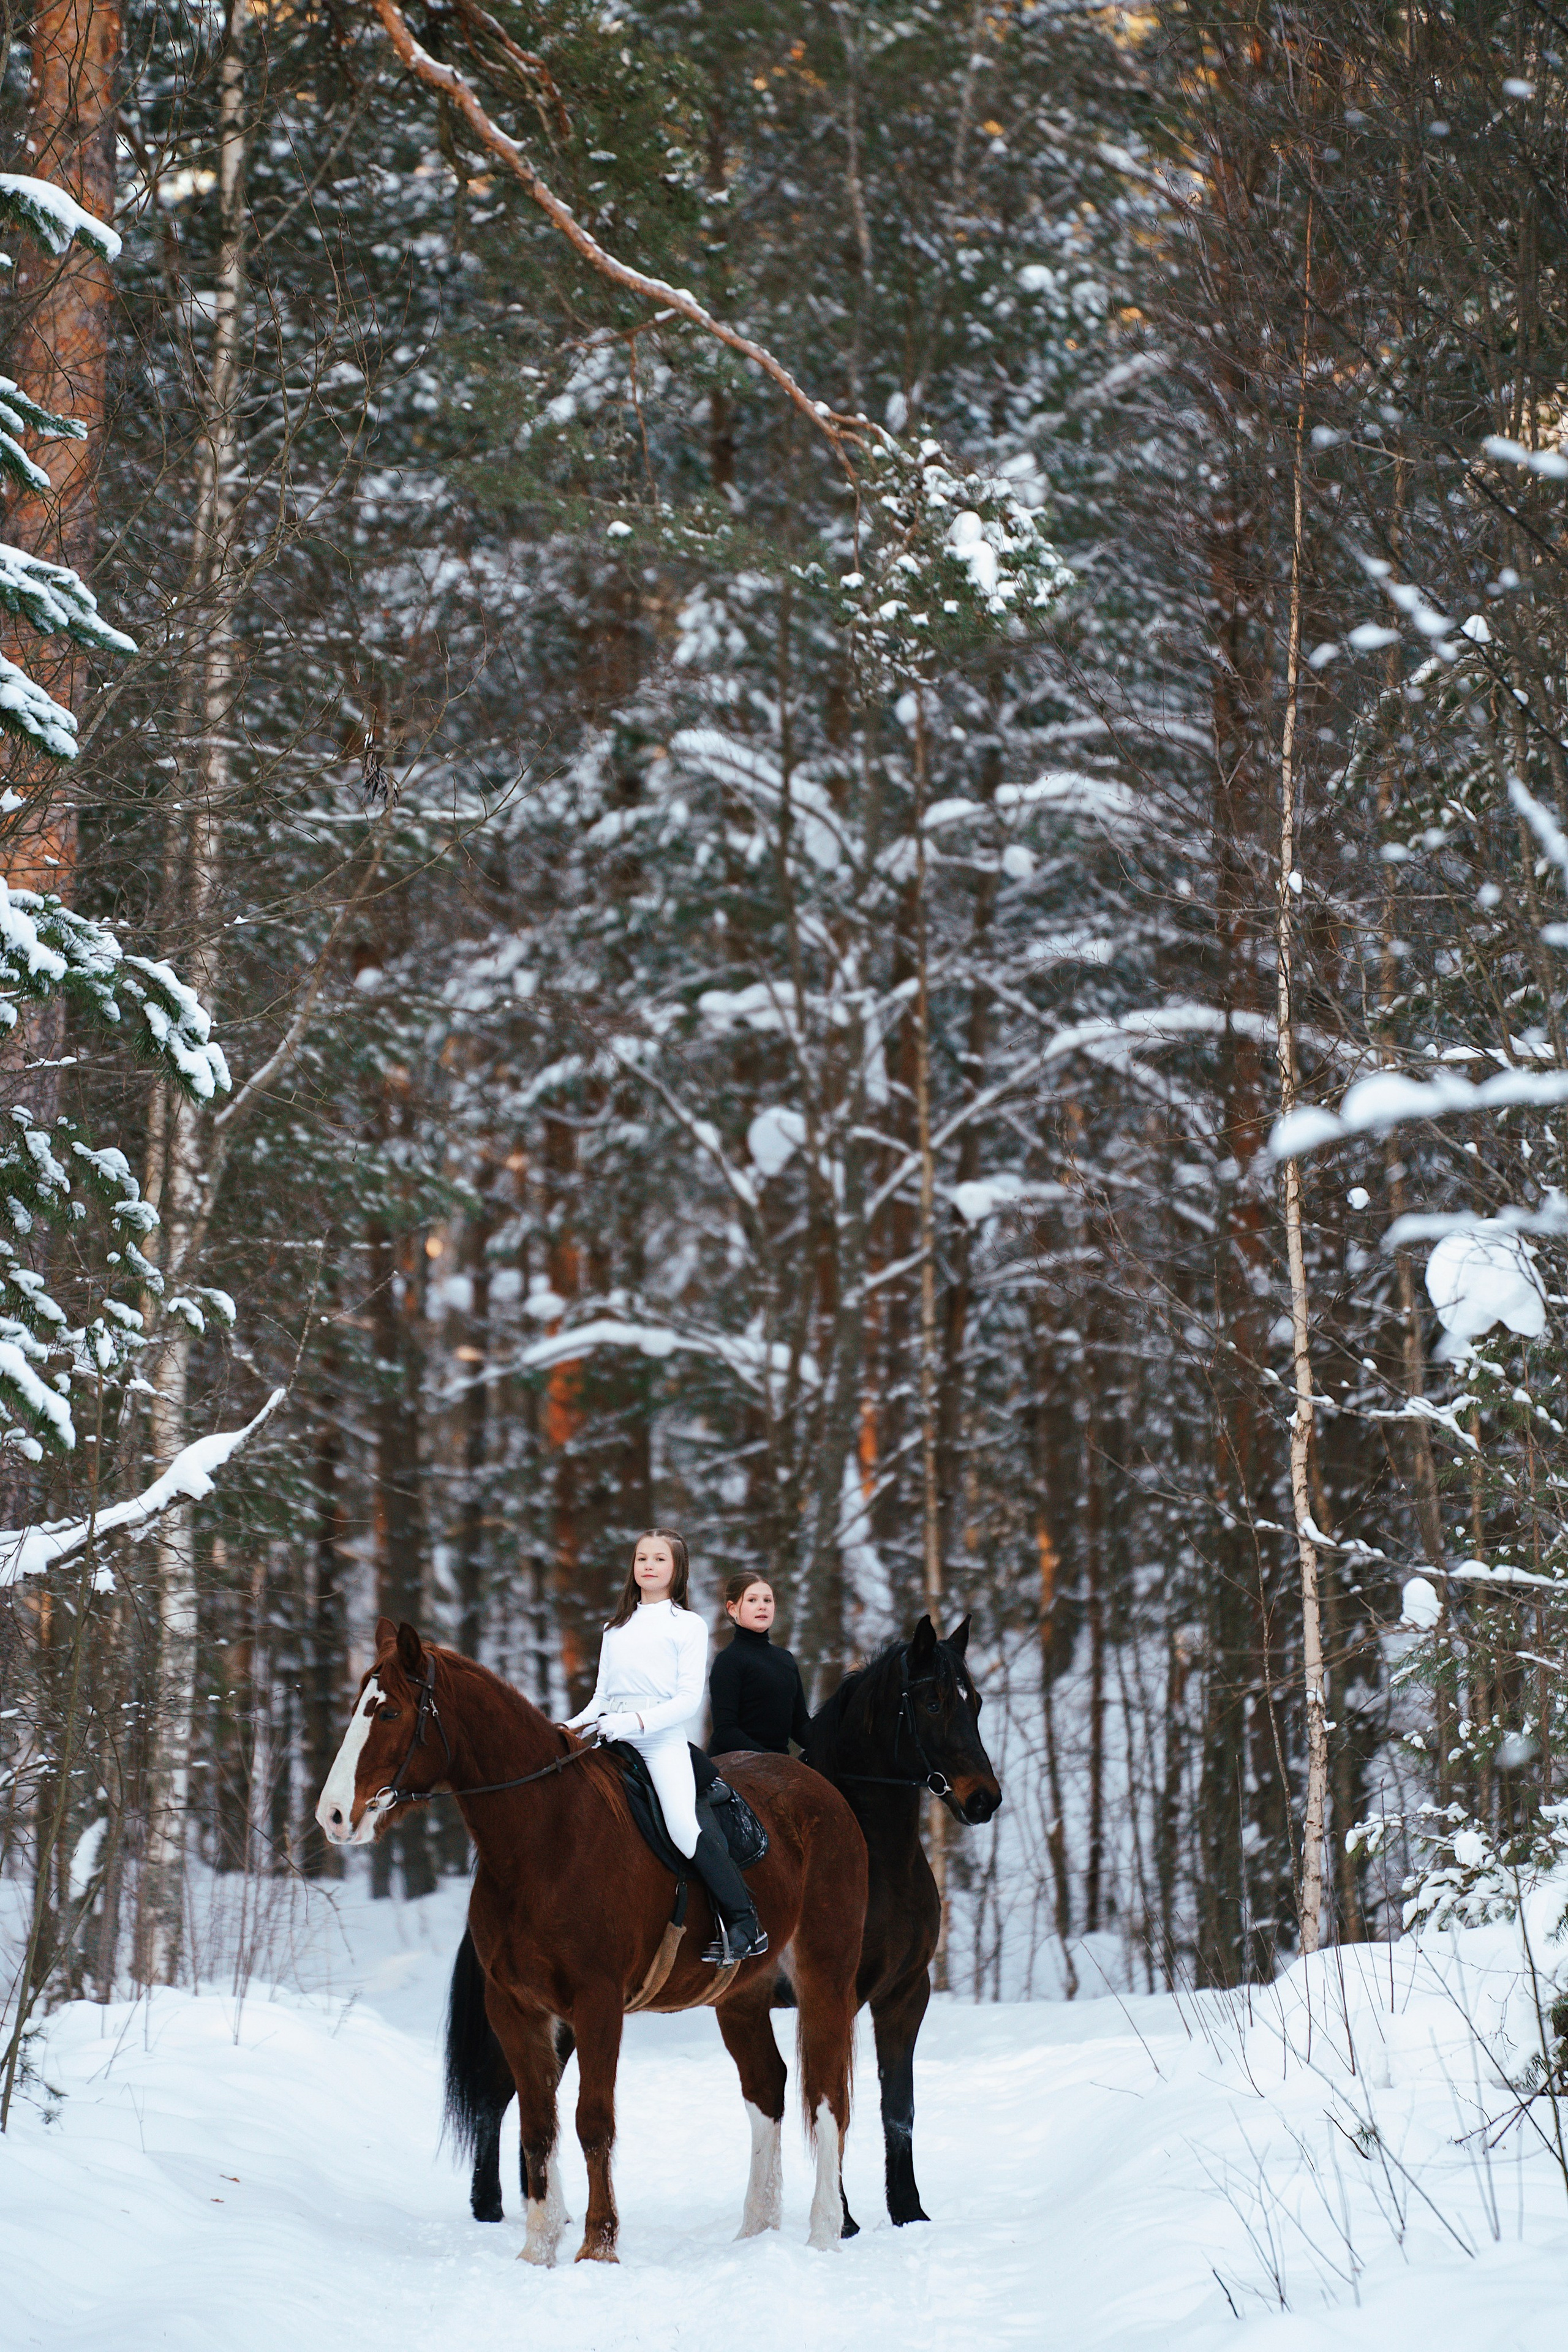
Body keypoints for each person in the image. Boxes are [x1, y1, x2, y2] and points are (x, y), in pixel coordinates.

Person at [565, 1529, 767, 1964]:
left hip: (661, 1742)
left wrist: (632, 1722)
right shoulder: (614, 1628)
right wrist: (566, 1727)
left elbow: (686, 1702)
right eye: (642, 1558)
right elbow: (601, 1697)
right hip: (612, 1732)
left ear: (677, 1570)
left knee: (681, 1825)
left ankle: (744, 1922)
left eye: (660, 1559)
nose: (649, 1566)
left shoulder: (688, 1626)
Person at [708, 1575, 811, 1758]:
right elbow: (726, 1732)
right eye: (752, 1600)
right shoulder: (729, 1661)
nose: (762, 1606)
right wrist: (770, 1760)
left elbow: (800, 1724)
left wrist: (833, 1746)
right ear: (733, 1609)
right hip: (735, 1767)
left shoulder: (786, 1659)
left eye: (768, 1600)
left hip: (780, 1766)